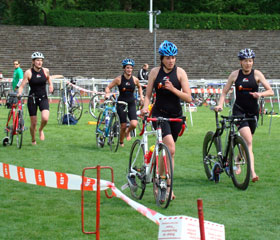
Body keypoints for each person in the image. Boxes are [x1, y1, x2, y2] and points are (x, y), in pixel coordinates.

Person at [141, 40, 192, 199]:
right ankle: (166, 185)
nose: (171, 61)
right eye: (168, 58)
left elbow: (188, 98)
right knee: (170, 147)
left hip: (176, 116)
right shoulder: (155, 73)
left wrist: (173, 89)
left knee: (169, 152)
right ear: (162, 58)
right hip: (159, 114)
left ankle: (160, 180)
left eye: (173, 58)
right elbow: (148, 95)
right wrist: (144, 107)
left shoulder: (180, 73)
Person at [215, 48, 274, 182]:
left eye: (250, 61)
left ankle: (237, 160)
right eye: (246, 61)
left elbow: (271, 91)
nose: (248, 64)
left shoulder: (257, 74)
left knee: (246, 142)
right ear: (240, 62)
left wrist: (260, 94)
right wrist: (220, 104)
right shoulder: (235, 75)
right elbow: (224, 92)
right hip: (239, 110)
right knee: (249, 141)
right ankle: (252, 172)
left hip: (253, 112)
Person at [105, 58, 144, 147]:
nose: (129, 70)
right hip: (121, 103)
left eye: (131, 68)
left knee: (134, 124)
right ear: (124, 69)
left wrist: (141, 96)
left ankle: (128, 132)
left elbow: (139, 87)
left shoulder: (135, 79)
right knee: (123, 125)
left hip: (131, 103)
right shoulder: (119, 79)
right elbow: (108, 87)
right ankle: (121, 142)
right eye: (127, 68)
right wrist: (107, 93)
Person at [18, 52, 53, 145]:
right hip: (32, 98)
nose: (39, 62)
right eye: (37, 60)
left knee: (45, 118)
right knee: (33, 123)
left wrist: (51, 86)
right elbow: (22, 86)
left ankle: (41, 129)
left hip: (43, 97)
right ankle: (33, 140)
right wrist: (19, 93)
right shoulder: (28, 72)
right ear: (33, 62)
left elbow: (49, 79)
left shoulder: (46, 71)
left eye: (41, 60)